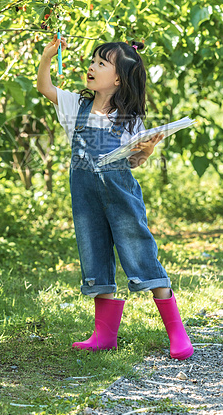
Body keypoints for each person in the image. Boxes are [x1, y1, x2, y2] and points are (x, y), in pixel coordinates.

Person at [36, 36, 193, 360]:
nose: (91, 67)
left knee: (140, 253)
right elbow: (44, 87)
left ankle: (177, 333)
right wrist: (47, 57)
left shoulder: (129, 118)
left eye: (101, 63)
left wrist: (146, 149)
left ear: (118, 78)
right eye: (92, 61)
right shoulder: (75, 105)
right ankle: (103, 336)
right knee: (94, 255)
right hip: (86, 198)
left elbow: (134, 162)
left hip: (121, 197)